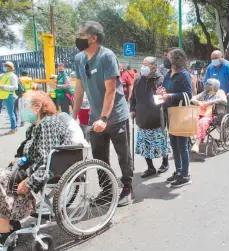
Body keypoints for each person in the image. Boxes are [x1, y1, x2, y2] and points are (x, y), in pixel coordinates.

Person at [73, 21, 133, 206]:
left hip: (115, 116)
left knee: (123, 155)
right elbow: (79, 87)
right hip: (95, 117)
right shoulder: (79, 59)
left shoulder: (107, 56)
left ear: (93, 38)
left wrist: (104, 118)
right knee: (99, 156)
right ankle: (107, 189)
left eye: (81, 34)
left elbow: (111, 91)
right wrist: (73, 116)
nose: (77, 37)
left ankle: (127, 189)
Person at [0, 91, 71, 245]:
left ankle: (5, 231)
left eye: (26, 106)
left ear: (38, 106)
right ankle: (8, 223)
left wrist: (30, 183)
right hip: (31, 167)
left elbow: (47, 161)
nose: (24, 110)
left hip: (44, 170)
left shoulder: (48, 124)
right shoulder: (35, 126)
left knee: (2, 181)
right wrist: (19, 159)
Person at [157, 48, 192, 188]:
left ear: (176, 59)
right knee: (174, 144)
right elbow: (165, 88)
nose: (166, 59)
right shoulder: (169, 74)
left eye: (169, 57)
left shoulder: (184, 75)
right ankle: (178, 171)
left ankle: (185, 175)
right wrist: (162, 91)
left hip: (180, 113)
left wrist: (170, 96)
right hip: (169, 112)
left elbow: (188, 94)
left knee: (182, 146)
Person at [130, 56, 169, 178]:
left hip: (157, 118)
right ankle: (150, 167)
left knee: (161, 143)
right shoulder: (138, 80)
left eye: (146, 64)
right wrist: (132, 110)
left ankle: (165, 162)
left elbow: (166, 98)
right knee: (144, 145)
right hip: (142, 117)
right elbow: (132, 98)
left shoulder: (161, 80)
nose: (143, 67)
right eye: (143, 64)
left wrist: (162, 96)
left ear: (154, 67)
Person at [190, 79, 227, 153]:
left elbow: (224, 100)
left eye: (209, 84)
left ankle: (196, 144)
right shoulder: (205, 93)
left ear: (214, 86)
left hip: (213, 115)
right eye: (207, 84)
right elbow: (193, 98)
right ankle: (195, 137)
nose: (206, 85)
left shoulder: (220, 92)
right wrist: (197, 102)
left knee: (202, 122)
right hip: (201, 112)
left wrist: (209, 103)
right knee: (191, 119)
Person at [0, 61, 18, 135]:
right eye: (4, 65)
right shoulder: (3, 75)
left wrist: (3, 86)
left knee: (11, 113)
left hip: (9, 96)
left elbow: (15, 87)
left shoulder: (12, 76)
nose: (4, 67)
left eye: (6, 66)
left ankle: (13, 129)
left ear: (10, 67)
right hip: (3, 95)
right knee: (10, 113)